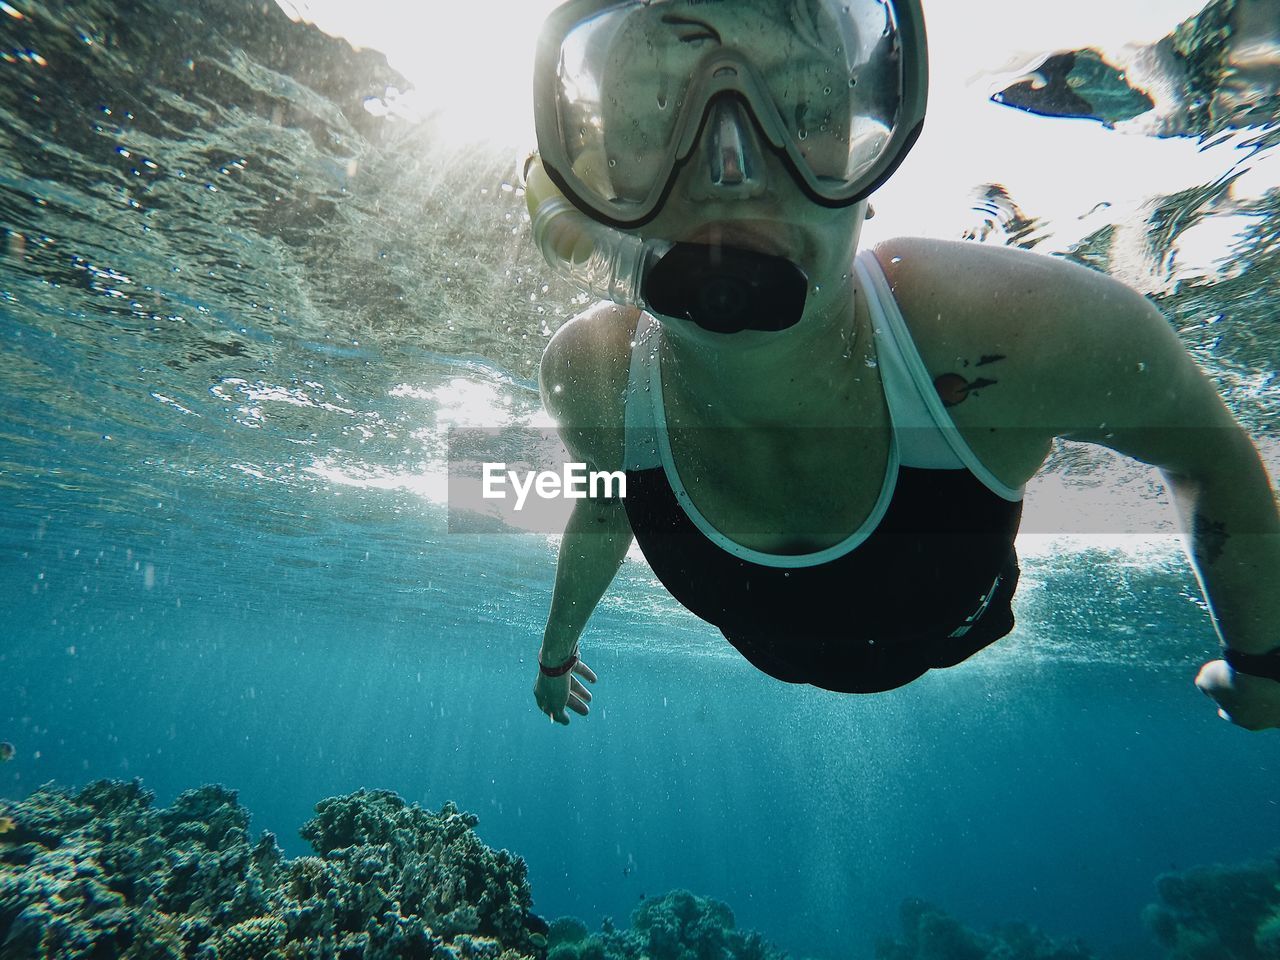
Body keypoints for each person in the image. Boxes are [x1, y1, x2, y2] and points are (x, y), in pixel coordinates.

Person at [523, 0, 1280, 730]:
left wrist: (1264, 663)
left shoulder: (1008, 329)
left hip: (955, 630)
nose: (733, 172)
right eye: (660, 112)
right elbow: (603, 503)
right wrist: (556, 652)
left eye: (801, 108)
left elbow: (1205, 452)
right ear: (592, 184)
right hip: (770, 645)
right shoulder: (590, 374)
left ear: (867, 159)